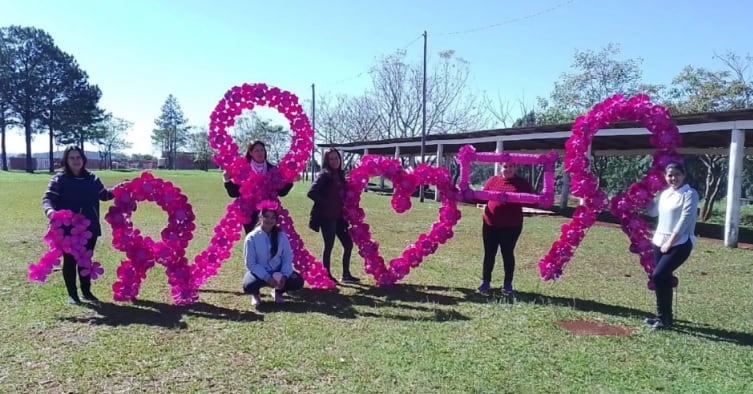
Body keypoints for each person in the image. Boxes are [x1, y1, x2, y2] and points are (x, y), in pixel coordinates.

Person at [41, 146, 115, 305]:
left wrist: (120, 189)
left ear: (83, 159)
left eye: (78, 157)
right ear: (66, 160)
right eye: (72, 158)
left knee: (85, 260)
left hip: (89, 229)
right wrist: (50, 212)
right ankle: (72, 295)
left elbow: (104, 195)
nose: (76, 161)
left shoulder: (93, 179)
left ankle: (86, 292)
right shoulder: (59, 179)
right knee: (70, 261)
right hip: (68, 229)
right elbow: (48, 199)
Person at [645, 162, 699, 330]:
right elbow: (653, 212)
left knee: (659, 275)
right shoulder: (665, 193)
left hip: (679, 242)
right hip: (659, 240)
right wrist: (645, 196)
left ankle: (664, 318)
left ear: (683, 175)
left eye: (676, 174)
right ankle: (663, 317)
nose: (673, 178)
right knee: (663, 279)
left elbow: (685, 219)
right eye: (669, 175)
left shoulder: (689, 193)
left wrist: (670, 242)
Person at [476, 162, 533, 296]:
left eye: (511, 167)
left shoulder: (521, 183)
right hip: (490, 224)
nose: (508, 169)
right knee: (489, 254)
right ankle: (485, 282)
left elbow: (532, 199)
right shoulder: (492, 180)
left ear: (515, 168)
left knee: (507, 254)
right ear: (501, 167)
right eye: (505, 166)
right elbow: (482, 198)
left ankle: (507, 284)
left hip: (511, 226)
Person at [307, 148, 360, 284]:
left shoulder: (340, 175)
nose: (334, 161)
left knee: (348, 244)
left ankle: (346, 275)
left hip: (339, 217)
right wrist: (326, 203)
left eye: (336, 158)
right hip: (327, 217)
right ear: (326, 161)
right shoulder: (324, 175)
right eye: (331, 159)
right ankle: (326, 275)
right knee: (329, 245)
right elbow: (311, 192)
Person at [223, 140, 294, 234]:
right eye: (256, 150)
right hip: (249, 214)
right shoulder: (242, 169)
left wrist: (290, 180)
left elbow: (281, 192)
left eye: (262, 150)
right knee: (253, 242)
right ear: (250, 153)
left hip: (268, 214)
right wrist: (227, 180)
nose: (260, 153)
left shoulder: (272, 169)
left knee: (269, 242)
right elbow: (234, 193)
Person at [242, 205, 304, 306]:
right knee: (248, 285)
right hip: (260, 272)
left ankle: (278, 292)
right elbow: (251, 263)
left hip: (278, 272)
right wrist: (267, 277)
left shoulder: (281, 235)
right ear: (261, 217)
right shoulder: (251, 237)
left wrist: (284, 275)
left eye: (273, 217)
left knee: (297, 281)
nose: (269, 220)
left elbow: (287, 257)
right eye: (266, 216)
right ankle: (255, 294)